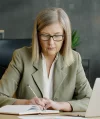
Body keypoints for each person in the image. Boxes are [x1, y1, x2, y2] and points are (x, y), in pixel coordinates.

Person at [0, 8, 92, 112]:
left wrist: (61, 105)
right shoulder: (21, 57)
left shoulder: (74, 59)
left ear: (65, 36)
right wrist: (26, 103)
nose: (51, 43)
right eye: (45, 35)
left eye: (57, 35)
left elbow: (90, 100)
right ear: (37, 35)